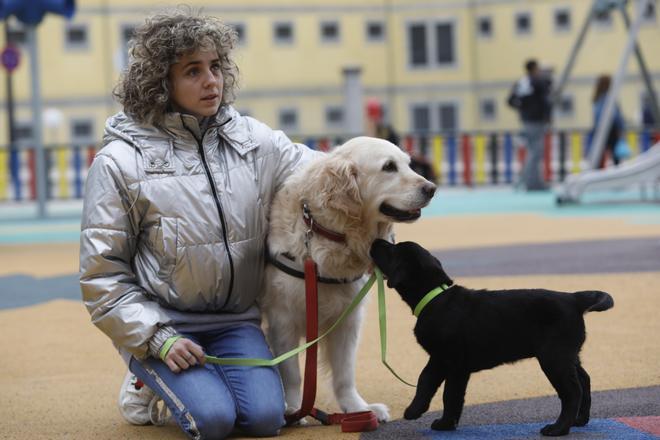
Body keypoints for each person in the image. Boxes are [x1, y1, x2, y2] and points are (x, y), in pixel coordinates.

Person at [79, 8, 316, 440]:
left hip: (236, 321)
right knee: (213, 421)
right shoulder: (119, 162)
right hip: (162, 323)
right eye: (193, 71)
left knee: (266, 419)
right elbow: (101, 276)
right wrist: (157, 339)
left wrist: (378, 180)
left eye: (216, 66)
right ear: (160, 82)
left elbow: (317, 173)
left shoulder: (251, 140)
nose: (212, 81)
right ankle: (143, 380)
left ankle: (193, 383)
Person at [507, 59, 552, 191]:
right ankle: (530, 182)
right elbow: (545, 100)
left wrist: (523, 108)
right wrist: (547, 116)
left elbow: (510, 100)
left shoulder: (521, 82)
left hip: (526, 120)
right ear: (535, 68)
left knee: (533, 151)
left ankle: (529, 181)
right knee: (535, 152)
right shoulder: (538, 82)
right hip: (536, 120)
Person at [591, 74, 626, 167]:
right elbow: (615, 115)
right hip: (611, 129)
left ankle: (599, 172)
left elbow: (596, 116)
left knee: (600, 155)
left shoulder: (596, 98)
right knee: (615, 157)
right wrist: (621, 127)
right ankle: (616, 173)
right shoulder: (609, 97)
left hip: (599, 129)